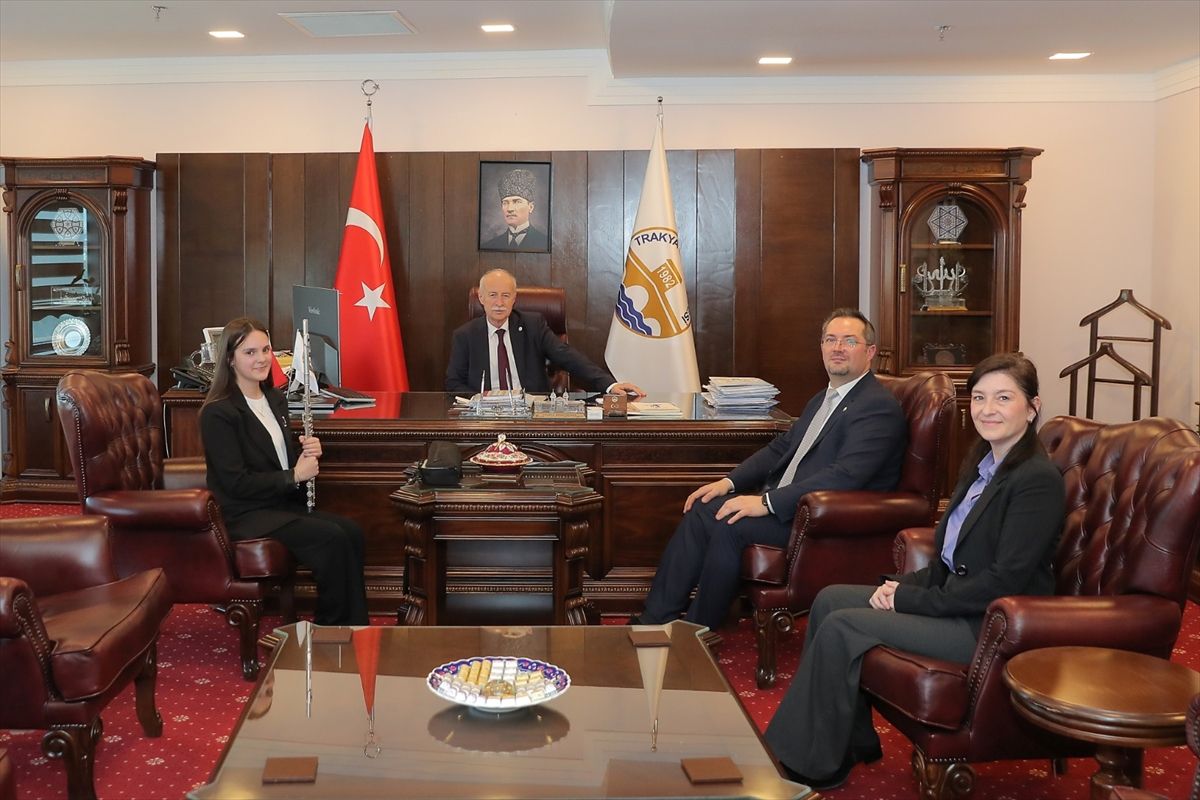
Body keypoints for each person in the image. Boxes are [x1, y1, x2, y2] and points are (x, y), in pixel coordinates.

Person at [763, 353, 1066, 791]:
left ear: (1032, 407)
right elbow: (951, 560)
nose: (988, 409)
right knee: (830, 599)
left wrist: (908, 599)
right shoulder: (982, 465)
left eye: (1004, 398)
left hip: (989, 625)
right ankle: (850, 742)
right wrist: (899, 585)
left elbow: (1003, 582)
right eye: (979, 398)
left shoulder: (1036, 479)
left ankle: (807, 764)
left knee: (845, 626)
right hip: (959, 602)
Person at [633, 308, 907, 630]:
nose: (837, 348)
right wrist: (728, 483)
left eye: (849, 341)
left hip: (825, 520)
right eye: (830, 340)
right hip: (794, 507)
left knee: (731, 524)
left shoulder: (876, 406)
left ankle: (696, 632)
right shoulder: (824, 398)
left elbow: (846, 476)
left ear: (870, 352)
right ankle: (654, 621)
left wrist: (766, 503)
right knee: (703, 509)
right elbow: (781, 448)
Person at [200, 317, 369, 626]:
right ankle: (328, 629)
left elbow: (276, 459)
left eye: (265, 350)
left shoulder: (275, 398)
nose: (262, 359)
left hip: (277, 506)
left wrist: (305, 454)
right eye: (250, 352)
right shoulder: (218, 412)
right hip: (244, 514)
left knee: (352, 532)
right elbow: (235, 483)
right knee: (331, 538)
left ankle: (355, 628)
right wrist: (294, 476)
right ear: (230, 359)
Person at [446, 268, 646, 396]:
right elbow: (453, 383)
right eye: (492, 295)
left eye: (506, 295)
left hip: (530, 415)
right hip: (485, 416)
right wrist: (481, 398)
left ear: (514, 299)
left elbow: (568, 357)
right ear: (481, 298)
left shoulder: (532, 325)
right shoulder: (465, 336)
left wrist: (609, 385)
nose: (499, 302)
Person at [482, 168, 548, 251]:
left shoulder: (545, 243)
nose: (510, 209)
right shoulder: (490, 245)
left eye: (517, 202)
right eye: (505, 203)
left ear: (531, 207)